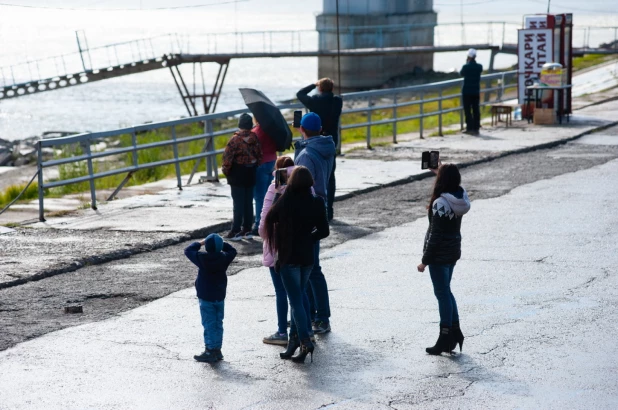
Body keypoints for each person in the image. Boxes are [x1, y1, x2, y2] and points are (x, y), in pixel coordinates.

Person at [264, 166, 330, 363]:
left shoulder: (286, 201)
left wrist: (277, 194)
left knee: (296, 301)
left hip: (288, 257)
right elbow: (324, 231)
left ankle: (305, 341)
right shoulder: (316, 201)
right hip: (307, 258)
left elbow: (270, 218)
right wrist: (309, 238)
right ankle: (293, 343)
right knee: (298, 300)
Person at [259, 156, 316, 346]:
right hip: (305, 251)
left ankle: (283, 332)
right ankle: (306, 330)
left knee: (282, 292)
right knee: (301, 294)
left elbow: (263, 224)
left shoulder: (274, 189)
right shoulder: (308, 189)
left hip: (279, 250)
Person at [417, 163, 471, 355]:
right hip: (453, 250)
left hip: (439, 255)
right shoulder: (460, 197)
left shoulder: (440, 203)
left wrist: (425, 261)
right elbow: (451, 184)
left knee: (442, 294)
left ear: (442, 181)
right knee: (447, 292)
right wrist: (439, 171)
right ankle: (455, 333)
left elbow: (435, 235)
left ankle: (445, 336)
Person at [294, 112, 336, 335]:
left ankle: (320, 317)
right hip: (319, 205)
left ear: (301, 128)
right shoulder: (325, 147)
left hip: (306, 211)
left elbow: (299, 185)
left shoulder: (306, 155)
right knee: (311, 266)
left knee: (311, 268)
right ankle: (313, 314)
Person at [184, 234, 237, 363]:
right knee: (218, 323)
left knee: (209, 324)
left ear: (207, 247)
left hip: (206, 296)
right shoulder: (224, 257)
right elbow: (233, 251)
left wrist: (201, 242)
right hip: (219, 296)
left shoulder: (202, 258)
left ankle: (210, 350)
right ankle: (217, 350)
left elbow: (188, 250)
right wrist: (221, 243)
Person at [297, 77, 342, 221]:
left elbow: (300, 94)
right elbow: (335, 98)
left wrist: (312, 85)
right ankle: (329, 210)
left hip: (314, 141)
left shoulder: (315, 101)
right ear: (332, 88)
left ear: (320, 88)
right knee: (330, 175)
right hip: (330, 142)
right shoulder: (337, 102)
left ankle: (316, 206)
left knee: (313, 174)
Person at [222, 113, 263, 240]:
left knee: (238, 203)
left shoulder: (234, 140)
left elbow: (227, 160)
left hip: (237, 174)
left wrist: (226, 171)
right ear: (250, 125)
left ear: (240, 125)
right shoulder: (255, 138)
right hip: (250, 173)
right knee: (248, 202)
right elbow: (260, 156)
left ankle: (235, 230)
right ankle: (247, 229)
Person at [251, 121, 277, 236]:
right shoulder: (273, 128)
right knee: (271, 195)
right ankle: (270, 222)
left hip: (261, 164)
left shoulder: (257, 131)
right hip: (273, 162)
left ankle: (258, 224)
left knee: (259, 197)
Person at [460, 48, 483, 135]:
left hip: (466, 91)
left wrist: (467, 63)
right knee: (476, 109)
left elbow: (461, 73)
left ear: (468, 57)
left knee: (467, 110)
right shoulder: (479, 67)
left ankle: (469, 127)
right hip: (476, 91)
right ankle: (476, 127)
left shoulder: (465, 67)